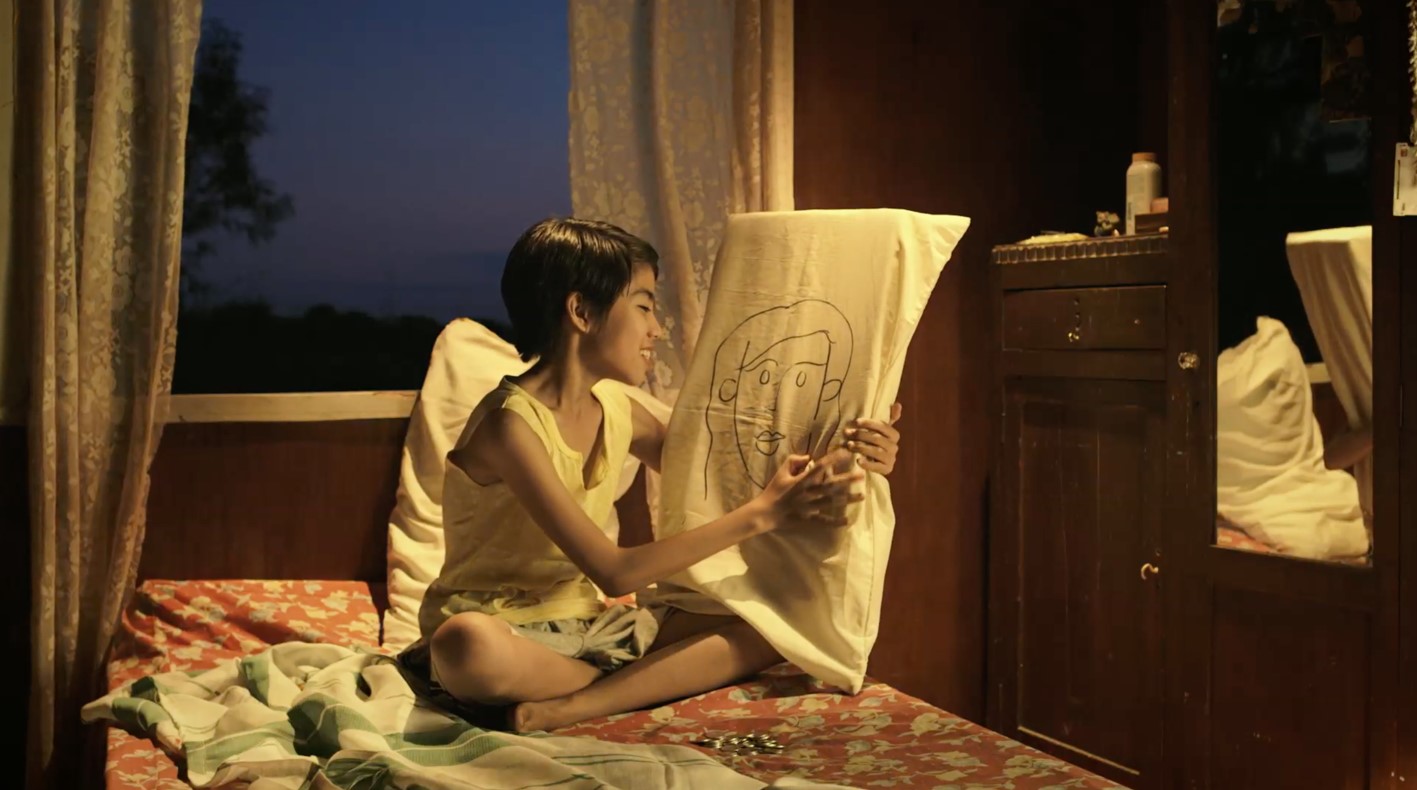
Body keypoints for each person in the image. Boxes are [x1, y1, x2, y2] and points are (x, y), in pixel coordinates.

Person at [401, 217, 904, 733]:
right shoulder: (509, 426)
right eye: (643, 306)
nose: (655, 329)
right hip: (503, 632)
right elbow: (615, 573)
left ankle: (569, 705)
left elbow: (728, 475)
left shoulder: (618, 409)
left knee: (779, 620)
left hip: (591, 627)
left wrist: (857, 452)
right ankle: (622, 684)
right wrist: (762, 515)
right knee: (465, 645)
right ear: (581, 311)